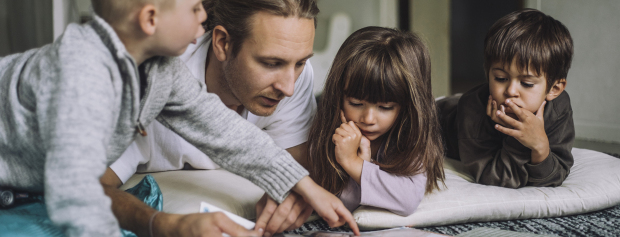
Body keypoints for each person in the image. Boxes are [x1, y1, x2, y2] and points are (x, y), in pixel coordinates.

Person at [0, 0, 359, 236]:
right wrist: (164, 226)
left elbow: (222, 130)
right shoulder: (83, 76)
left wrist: (302, 184)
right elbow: (76, 192)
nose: (205, 16)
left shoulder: (160, 71)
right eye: (195, 9)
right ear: (150, 18)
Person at [99, 0, 325, 236]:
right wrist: (164, 224)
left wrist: (293, 186)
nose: (289, 87)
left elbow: (226, 132)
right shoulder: (135, 78)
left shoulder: (293, 74)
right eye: (271, 63)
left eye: (299, 63)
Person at [307, 26, 445, 216]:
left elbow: (407, 199)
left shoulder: (411, 134)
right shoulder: (325, 133)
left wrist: (354, 163)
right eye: (356, 103)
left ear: (407, 106)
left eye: (385, 107)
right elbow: (336, 204)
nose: (368, 119)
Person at [438, 9, 574, 188]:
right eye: (501, 79)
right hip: (438, 119)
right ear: (488, 74)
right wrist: (517, 136)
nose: (511, 91)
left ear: (554, 89)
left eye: (526, 83)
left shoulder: (558, 108)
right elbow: (497, 177)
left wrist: (540, 146)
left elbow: (554, 177)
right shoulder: (472, 109)